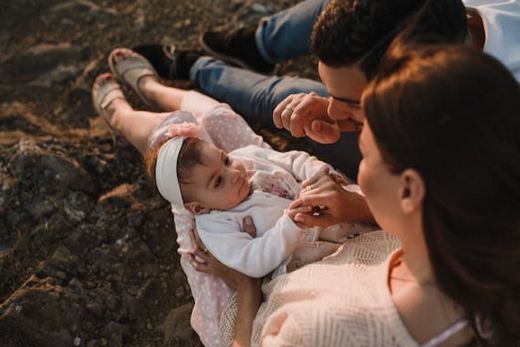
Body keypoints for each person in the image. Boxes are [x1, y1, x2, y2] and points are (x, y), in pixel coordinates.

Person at [190, 44, 520, 346]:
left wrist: (245, 286)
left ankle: (168, 80)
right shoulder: (478, 248)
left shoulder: (313, 332)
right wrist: (357, 208)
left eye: (365, 154)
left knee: (186, 149)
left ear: (409, 191)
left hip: (256, 306)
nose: (357, 168)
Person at [91, 48, 371, 347]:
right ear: (198, 207)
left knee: (215, 118)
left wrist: (317, 172)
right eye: (219, 180)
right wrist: (289, 225)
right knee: (198, 135)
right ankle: (140, 98)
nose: (235, 172)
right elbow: (251, 262)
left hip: (331, 224)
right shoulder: (215, 226)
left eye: (225, 160)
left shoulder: (244, 162)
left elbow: (292, 159)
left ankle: (135, 104)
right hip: (302, 247)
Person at [134, 0, 520, 178]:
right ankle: (255, 45)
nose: (333, 112)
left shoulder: (495, 131)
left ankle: (200, 70)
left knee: (287, 99)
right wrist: (352, 108)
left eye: (351, 103)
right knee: (354, 16)